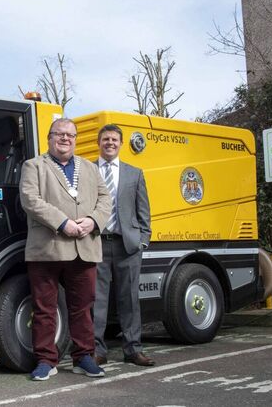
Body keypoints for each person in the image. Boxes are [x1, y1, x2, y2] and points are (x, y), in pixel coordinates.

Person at [19, 118, 112, 381]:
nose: (65, 139)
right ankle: (46, 361)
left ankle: (84, 357)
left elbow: (106, 199)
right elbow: (30, 200)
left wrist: (93, 221)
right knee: (44, 308)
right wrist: (63, 223)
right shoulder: (33, 166)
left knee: (83, 308)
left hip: (84, 246)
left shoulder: (91, 169)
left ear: (75, 139)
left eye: (70, 135)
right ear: (49, 138)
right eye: (59, 134)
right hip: (47, 248)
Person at [93, 124, 155, 367]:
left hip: (128, 246)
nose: (110, 143)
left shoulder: (134, 173)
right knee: (96, 301)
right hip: (96, 244)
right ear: (99, 143)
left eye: (115, 139)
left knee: (129, 300)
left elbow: (144, 210)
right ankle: (97, 351)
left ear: (120, 143)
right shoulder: (87, 171)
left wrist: (143, 240)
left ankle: (133, 350)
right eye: (106, 139)